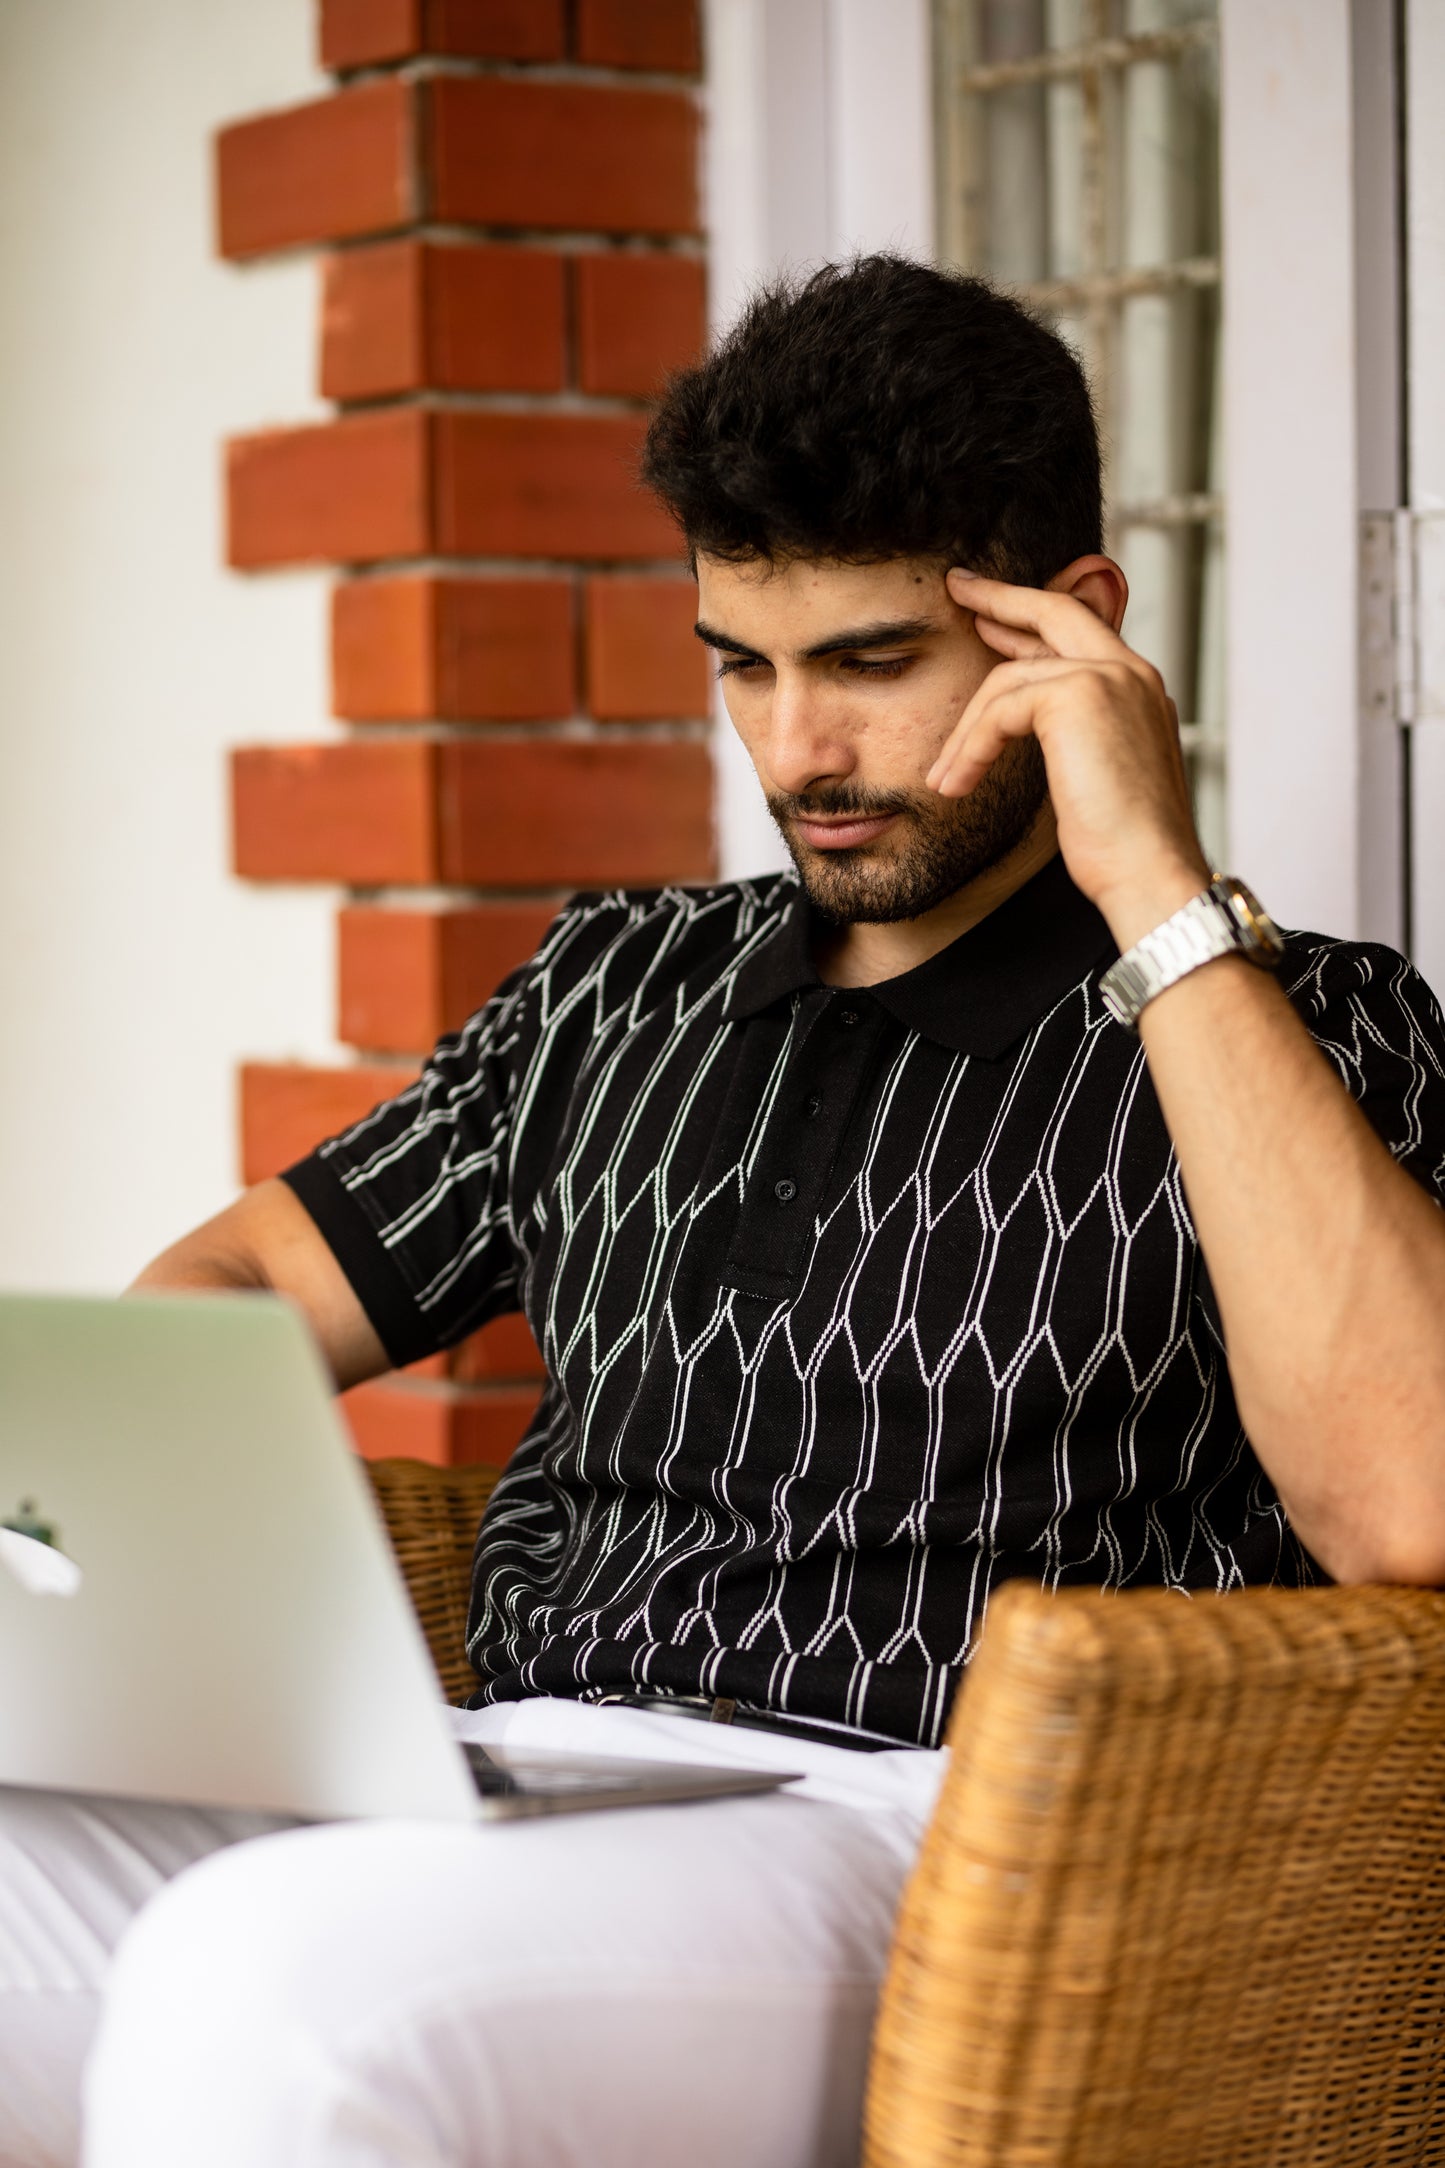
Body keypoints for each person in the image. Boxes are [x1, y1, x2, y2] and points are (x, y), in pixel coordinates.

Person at [6, 254, 1445, 2168]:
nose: (792, 757)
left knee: (280, 1988)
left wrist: (1148, 881)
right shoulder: (617, 986)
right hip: (523, 1777)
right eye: (741, 667)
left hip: (935, 1835)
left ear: (1072, 629)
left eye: (867, 663)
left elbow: (1409, 1504)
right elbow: (262, 1264)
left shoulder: (1300, 1024)